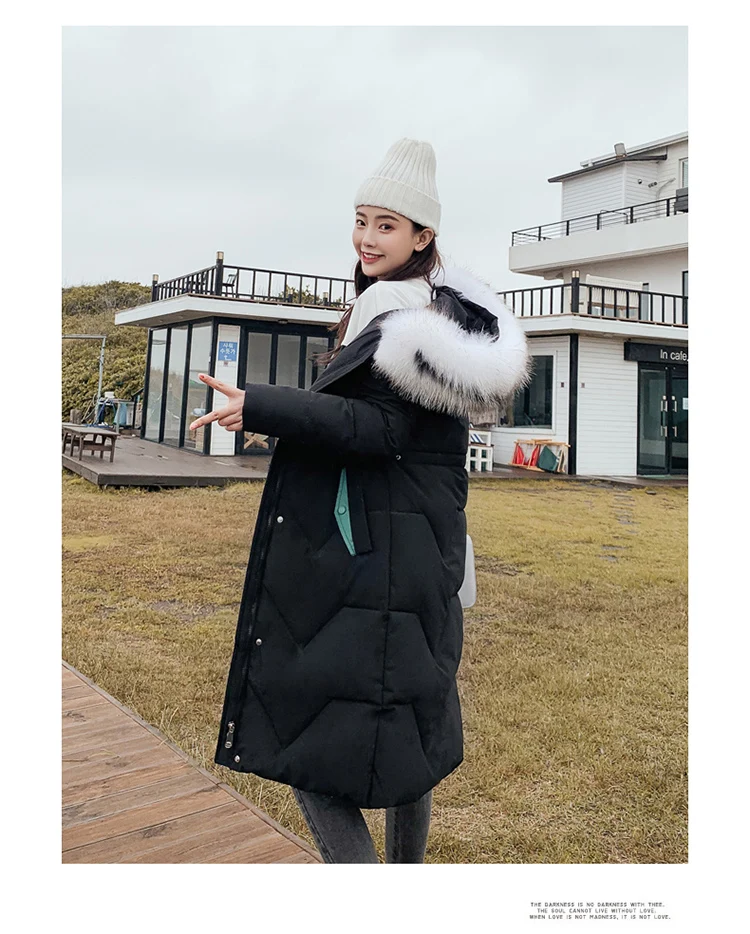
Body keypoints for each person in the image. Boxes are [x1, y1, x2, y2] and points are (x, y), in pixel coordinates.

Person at [189, 138, 532, 863]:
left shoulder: (388, 304)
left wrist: (261, 405)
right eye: (361, 220)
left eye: (386, 225)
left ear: (422, 236)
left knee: (306, 749)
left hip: (369, 558)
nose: (367, 238)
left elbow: (378, 428)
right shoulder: (448, 315)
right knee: (409, 737)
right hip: (422, 553)